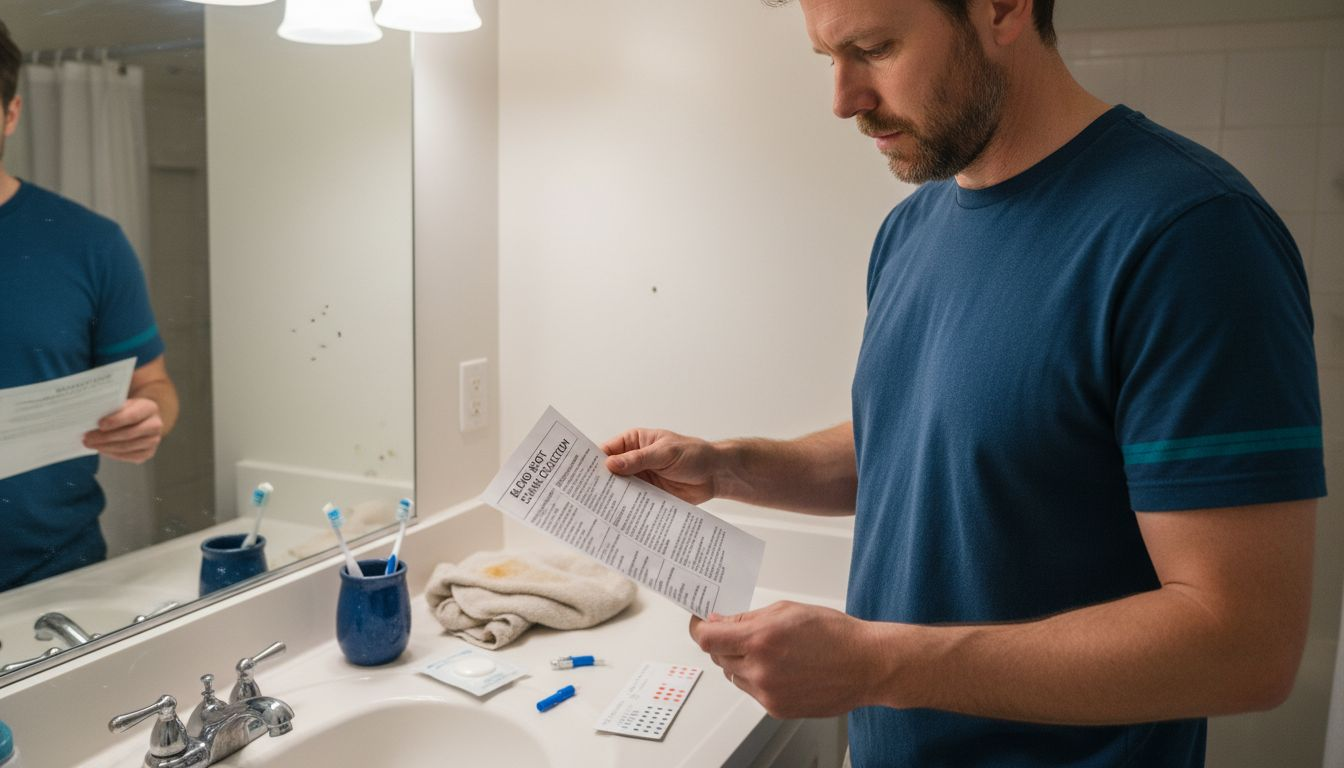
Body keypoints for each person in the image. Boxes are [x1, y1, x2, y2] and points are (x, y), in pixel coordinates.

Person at [602, 0, 1325, 764]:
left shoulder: (1190, 235)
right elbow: (929, 443)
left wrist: (878, 663)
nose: (843, 99)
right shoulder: (912, 229)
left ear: (1005, 8)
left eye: (874, 49)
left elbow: (1244, 645)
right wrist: (727, 465)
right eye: (829, 59)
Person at [0, 20, 179, 591]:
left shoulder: (89, 243)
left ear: (11, 113)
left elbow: (154, 388)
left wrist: (148, 421)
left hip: (56, 574)